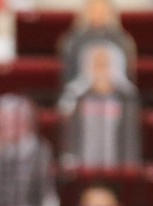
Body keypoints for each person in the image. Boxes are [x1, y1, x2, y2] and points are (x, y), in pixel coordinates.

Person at [58, 41, 142, 169]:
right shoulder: (77, 98)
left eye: (104, 65)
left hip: (117, 168)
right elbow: (70, 135)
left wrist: (129, 165)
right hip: (84, 167)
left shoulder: (127, 99)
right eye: (96, 65)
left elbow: (130, 138)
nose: (101, 70)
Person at [58, 0, 137, 85]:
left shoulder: (122, 40)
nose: (98, 14)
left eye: (102, 10)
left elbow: (127, 73)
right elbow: (69, 71)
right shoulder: (74, 41)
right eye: (94, 10)